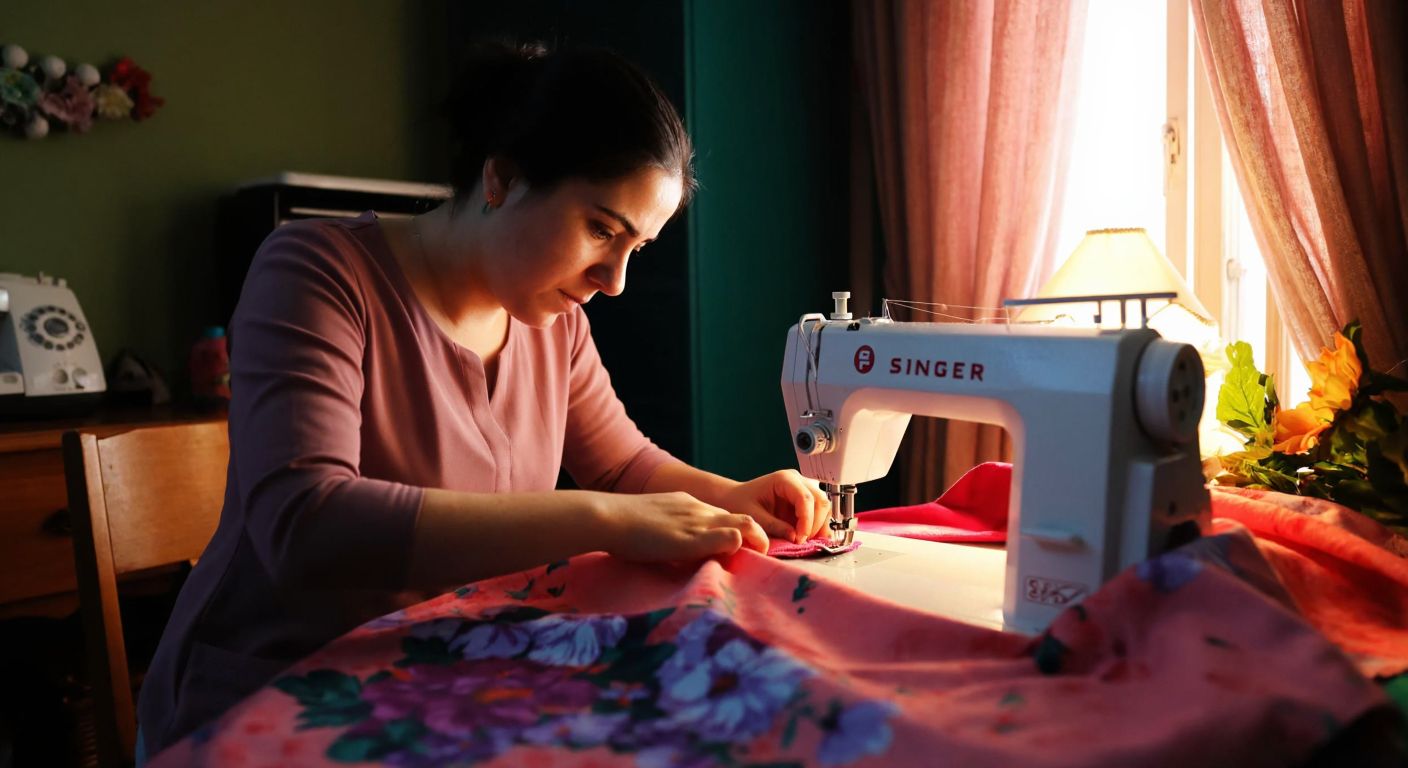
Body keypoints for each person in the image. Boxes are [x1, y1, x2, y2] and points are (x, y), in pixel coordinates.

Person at [135, 40, 830, 758]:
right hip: (273, 692)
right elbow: (304, 523)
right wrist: (605, 520)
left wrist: (734, 498)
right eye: (601, 229)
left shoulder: (554, 326)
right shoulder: (317, 273)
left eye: (637, 248)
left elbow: (624, 468)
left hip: (443, 678)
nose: (615, 279)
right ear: (500, 179)